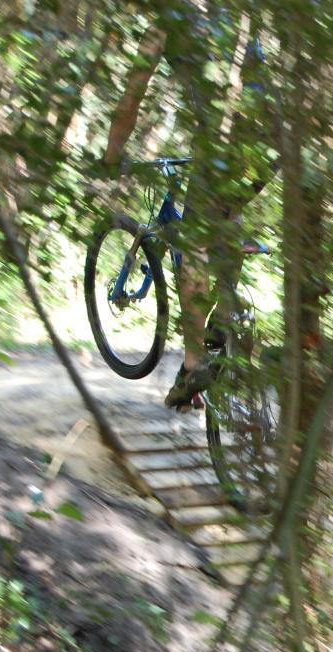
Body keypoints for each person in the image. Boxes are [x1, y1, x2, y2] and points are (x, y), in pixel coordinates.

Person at [101, 18, 275, 409]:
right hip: (273, 141)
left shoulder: (167, 21)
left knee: (191, 244)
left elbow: (131, 100)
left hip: (228, 140)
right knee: (225, 212)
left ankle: (196, 359)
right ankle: (219, 325)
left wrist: (111, 158)